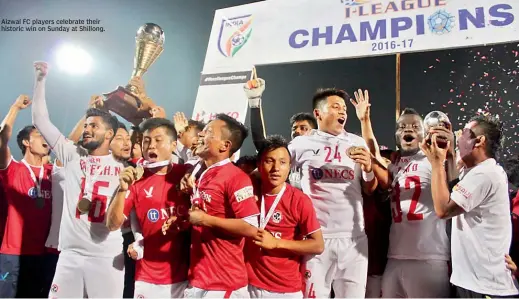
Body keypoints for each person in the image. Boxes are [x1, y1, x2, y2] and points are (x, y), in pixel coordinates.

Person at [31, 61, 127, 298]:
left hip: (106, 257)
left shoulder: (123, 167)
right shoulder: (72, 154)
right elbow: (40, 120)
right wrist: (40, 79)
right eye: (85, 125)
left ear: (109, 134)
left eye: (93, 126)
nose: (86, 129)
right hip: (70, 255)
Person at [352, 90, 452, 298]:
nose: (408, 129)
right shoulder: (395, 164)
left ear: (425, 133)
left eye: (415, 126)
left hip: (429, 256)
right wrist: (364, 120)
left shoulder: (433, 159)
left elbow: (452, 172)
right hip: (395, 256)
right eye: (402, 127)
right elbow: (373, 153)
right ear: (396, 135)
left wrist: (449, 148)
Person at [288, 88, 377, 298]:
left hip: (354, 240)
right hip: (317, 239)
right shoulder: (301, 144)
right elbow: (273, 167)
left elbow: (369, 189)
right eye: (335, 107)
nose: (342, 112)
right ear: (318, 114)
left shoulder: (357, 143)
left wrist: (368, 169)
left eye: (344, 108)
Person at [421, 114, 519, 297]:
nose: (457, 136)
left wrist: (436, 163)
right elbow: (452, 189)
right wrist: (450, 156)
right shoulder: (479, 171)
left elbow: (443, 209)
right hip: (474, 282)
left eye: (464, 132)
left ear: (479, 141)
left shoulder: (484, 174)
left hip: (485, 286)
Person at [106, 117, 191, 298]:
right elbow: (112, 225)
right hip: (148, 278)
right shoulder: (135, 180)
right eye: (146, 140)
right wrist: (122, 190)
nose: (151, 146)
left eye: (158, 140)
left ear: (173, 145)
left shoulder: (186, 174)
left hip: (186, 277)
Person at [182, 114, 260, 298]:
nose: (200, 134)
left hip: (223, 283)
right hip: (198, 279)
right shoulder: (200, 172)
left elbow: (251, 227)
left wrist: (205, 219)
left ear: (225, 145)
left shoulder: (236, 177)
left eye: (208, 132)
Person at [246, 135, 324, 298]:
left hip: (284, 289)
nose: (276, 168)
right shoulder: (248, 190)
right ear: (259, 165)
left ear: (290, 166)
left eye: (282, 162)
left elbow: (317, 245)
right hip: (248, 285)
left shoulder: (299, 200)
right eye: (269, 161)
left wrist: (276, 243)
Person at [0, 95, 52, 298]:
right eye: (39, 134)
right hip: (13, 254)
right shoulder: (12, 169)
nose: (45, 138)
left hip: (43, 254)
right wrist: (14, 108)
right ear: (26, 142)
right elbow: (1, 138)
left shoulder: (53, 173)